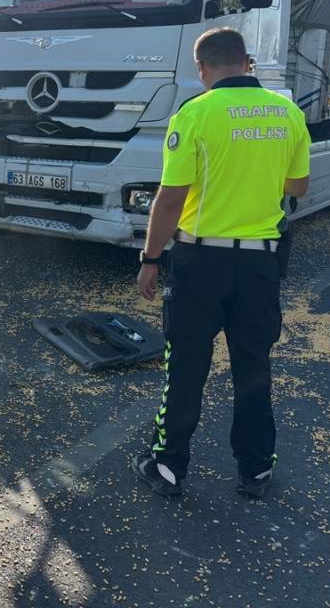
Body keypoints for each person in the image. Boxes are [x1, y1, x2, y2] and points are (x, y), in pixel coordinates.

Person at [131, 27, 311, 499]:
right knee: (254, 365)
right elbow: (298, 187)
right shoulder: (288, 113)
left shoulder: (195, 113)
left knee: (186, 365)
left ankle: (169, 467)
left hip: (200, 261)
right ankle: (255, 470)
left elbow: (170, 200)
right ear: (247, 63)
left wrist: (151, 259)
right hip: (260, 264)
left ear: (202, 67)